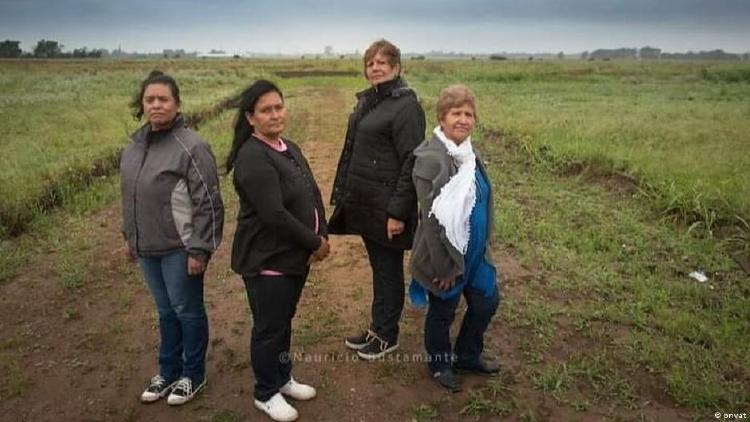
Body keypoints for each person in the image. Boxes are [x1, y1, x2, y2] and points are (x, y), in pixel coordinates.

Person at [226, 80, 330, 422]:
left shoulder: (289, 147)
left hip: (293, 256)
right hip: (267, 259)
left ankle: (282, 378)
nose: (274, 115)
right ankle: (265, 392)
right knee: (269, 327)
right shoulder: (252, 157)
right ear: (251, 118)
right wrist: (314, 242)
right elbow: (273, 215)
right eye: (266, 110)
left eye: (278, 107)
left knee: (283, 321)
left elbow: (312, 192)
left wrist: (322, 230)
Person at [120, 70, 224, 405]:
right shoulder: (134, 147)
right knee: (165, 311)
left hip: (180, 249)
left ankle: (192, 375)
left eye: (163, 99)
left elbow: (208, 203)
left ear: (177, 104)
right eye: (149, 99)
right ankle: (167, 370)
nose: (156, 105)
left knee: (187, 310)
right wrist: (130, 238)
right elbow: (130, 197)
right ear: (142, 104)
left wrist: (200, 249)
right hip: (147, 247)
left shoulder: (191, 146)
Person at [329, 39, 426, 360]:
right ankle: (376, 328)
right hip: (369, 204)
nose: (376, 67)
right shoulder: (370, 102)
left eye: (382, 62)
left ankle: (387, 335)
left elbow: (412, 161)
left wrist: (398, 212)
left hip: (388, 209)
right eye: (371, 63)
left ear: (397, 67)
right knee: (379, 268)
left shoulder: (406, 106)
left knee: (387, 270)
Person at [409, 85, 501, 392]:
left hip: (476, 253)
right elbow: (432, 222)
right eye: (456, 113)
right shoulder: (430, 159)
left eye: (469, 114)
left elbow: (483, 200)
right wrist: (444, 268)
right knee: (443, 312)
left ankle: (467, 355)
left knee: (487, 302)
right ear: (442, 117)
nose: (463, 119)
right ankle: (439, 364)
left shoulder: (469, 155)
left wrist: (484, 242)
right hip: (446, 257)